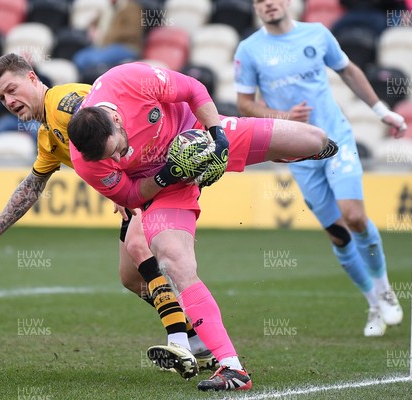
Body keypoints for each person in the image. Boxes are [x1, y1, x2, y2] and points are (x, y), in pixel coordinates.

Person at [66, 61, 337, 391]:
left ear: (118, 120)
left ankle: (271, 154)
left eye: (120, 148)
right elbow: (130, 194)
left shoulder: (129, 81)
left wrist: (218, 138)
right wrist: (168, 175)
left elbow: (194, 90)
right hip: (164, 186)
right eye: (113, 158)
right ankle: (231, 367)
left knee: (314, 139)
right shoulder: (85, 160)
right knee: (173, 262)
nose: (121, 159)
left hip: (196, 134)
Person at [0, 53, 216, 380]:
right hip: (134, 190)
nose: (9, 101)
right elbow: (34, 183)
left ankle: (178, 341)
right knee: (131, 278)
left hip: (157, 175)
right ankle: (199, 340)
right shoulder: (48, 134)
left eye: (12, 89)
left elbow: (111, 128)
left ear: (33, 78)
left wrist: (123, 183)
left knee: (138, 246)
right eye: (1, 97)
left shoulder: (67, 104)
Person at [234, 0, 406, 337]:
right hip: (298, 152)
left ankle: (385, 290)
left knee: (354, 216)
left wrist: (381, 111)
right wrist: (284, 118)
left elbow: (349, 70)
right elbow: (243, 103)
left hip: (336, 138)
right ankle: (372, 302)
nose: (267, 4)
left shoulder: (317, 34)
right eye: (258, 0)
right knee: (338, 234)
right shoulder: (250, 49)